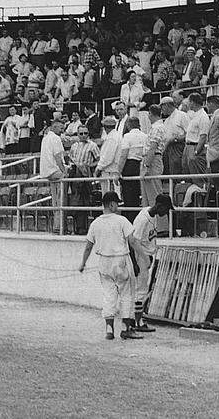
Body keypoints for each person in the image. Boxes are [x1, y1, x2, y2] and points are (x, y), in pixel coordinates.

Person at [78, 191, 144, 341]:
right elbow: (132, 241)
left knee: (109, 295)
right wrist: (144, 257)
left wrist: (83, 263)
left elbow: (88, 246)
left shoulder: (95, 223)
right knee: (126, 294)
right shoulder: (122, 220)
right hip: (121, 260)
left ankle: (109, 329)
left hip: (104, 262)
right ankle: (126, 328)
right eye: (117, 204)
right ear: (112, 204)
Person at [131, 193, 174, 332]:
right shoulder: (143, 219)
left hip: (146, 255)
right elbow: (132, 241)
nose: (166, 213)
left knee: (142, 289)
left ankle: (135, 319)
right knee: (140, 290)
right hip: (140, 256)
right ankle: (137, 322)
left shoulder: (152, 215)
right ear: (159, 206)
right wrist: (136, 263)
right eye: (166, 209)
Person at [40, 116, 67, 234]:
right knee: (61, 201)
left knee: (55, 201)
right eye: (61, 128)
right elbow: (58, 157)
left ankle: (57, 227)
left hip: (47, 171)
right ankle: (60, 227)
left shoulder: (45, 138)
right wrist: (64, 171)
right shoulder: (55, 138)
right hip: (56, 171)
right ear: (54, 127)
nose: (62, 130)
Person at [113, 115, 148, 208]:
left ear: (128, 125)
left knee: (129, 196)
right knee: (138, 194)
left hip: (130, 166)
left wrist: (118, 172)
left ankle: (130, 218)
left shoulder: (127, 136)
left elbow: (123, 155)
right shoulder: (145, 136)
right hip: (141, 165)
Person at [182, 93, 209, 176]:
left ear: (193, 102)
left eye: (189, 102)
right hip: (188, 147)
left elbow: (203, 136)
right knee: (187, 174)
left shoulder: (203, 116)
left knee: (196, 173)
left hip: (195, 146)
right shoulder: (195, 115)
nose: (188, 104)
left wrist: (196, 151)